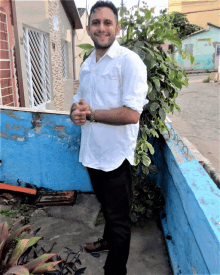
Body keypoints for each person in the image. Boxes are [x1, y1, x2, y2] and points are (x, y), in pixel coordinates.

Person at [70, 1, 148, 274]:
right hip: (92, 154)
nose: (101, 28)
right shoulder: (88, 64)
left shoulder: (129, 62)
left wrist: (90, 115)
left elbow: (131, 114)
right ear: (89, 27)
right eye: (96, 22)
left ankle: (115, 271)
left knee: (119, 221)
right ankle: (106, 241)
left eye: (107, 22)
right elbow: (77, 104)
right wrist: (75, 113)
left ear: (117, 28)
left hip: (115, 157)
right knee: (106, 207)